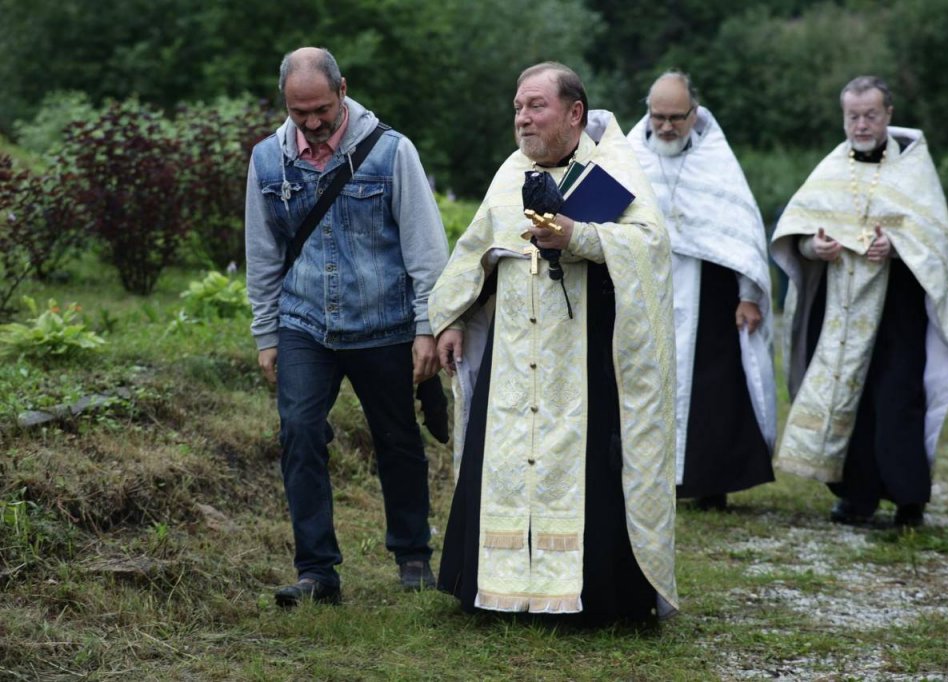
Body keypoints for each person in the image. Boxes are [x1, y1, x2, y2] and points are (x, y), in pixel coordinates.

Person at [429, 62, 678, 620]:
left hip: (585, 362)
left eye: (536, 106)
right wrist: (450, 319)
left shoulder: (614, 168)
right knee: (505, 466)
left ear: (574, 113)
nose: (523, 117)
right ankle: (498, 593)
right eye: (518, 106)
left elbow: (650, 248)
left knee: (587, 473)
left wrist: (579, 236)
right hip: (514, 360)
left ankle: (594, 602)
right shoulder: (510, 171)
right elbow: (476, 252)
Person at [245, 47, 450, 606]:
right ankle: (317, 573)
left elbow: (426, 249)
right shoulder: (267, 160)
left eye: (319, 109)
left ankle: (412, 555)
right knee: (299, 433)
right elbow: (263, 254)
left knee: (398, 439)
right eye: (297, 111)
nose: (310, 122)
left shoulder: (391, 151)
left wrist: (427, 326)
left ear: (342, 90)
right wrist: (267, 334)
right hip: (304, 322)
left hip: (384, 323)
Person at [770, 76, 948, 527]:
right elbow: (797, 237)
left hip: (896, 308)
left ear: (889, 115)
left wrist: (896, 247)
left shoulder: (914, 169)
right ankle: (856, 496)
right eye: (852, 116)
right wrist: (814, 250)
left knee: (897, 398)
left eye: (870, 115)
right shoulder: (830, 169)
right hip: (839, 308)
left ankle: (907, 499)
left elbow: (934, 240)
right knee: (850, 403)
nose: (861, 124)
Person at [626, 72, 776, 510]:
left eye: (676, 117)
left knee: (712, 386)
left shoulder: (716, 157)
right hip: (647, 290)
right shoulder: (630, 155)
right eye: (658, 117)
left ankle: (710, 483)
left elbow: (741, 231)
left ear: (694, 113)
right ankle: (646, 481)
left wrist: (749, 294)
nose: (667, 126)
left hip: (708, 292)